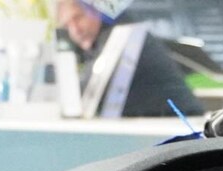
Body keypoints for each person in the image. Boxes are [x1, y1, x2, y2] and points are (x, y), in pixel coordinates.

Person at [55, 0, 202, 117]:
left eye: (78, 18)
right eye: (67, 25)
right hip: (163, 126)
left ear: (96, 11)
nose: (75, 29)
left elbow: (86, 93)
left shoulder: (122, 37)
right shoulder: (108, 40)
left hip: (178, 128)